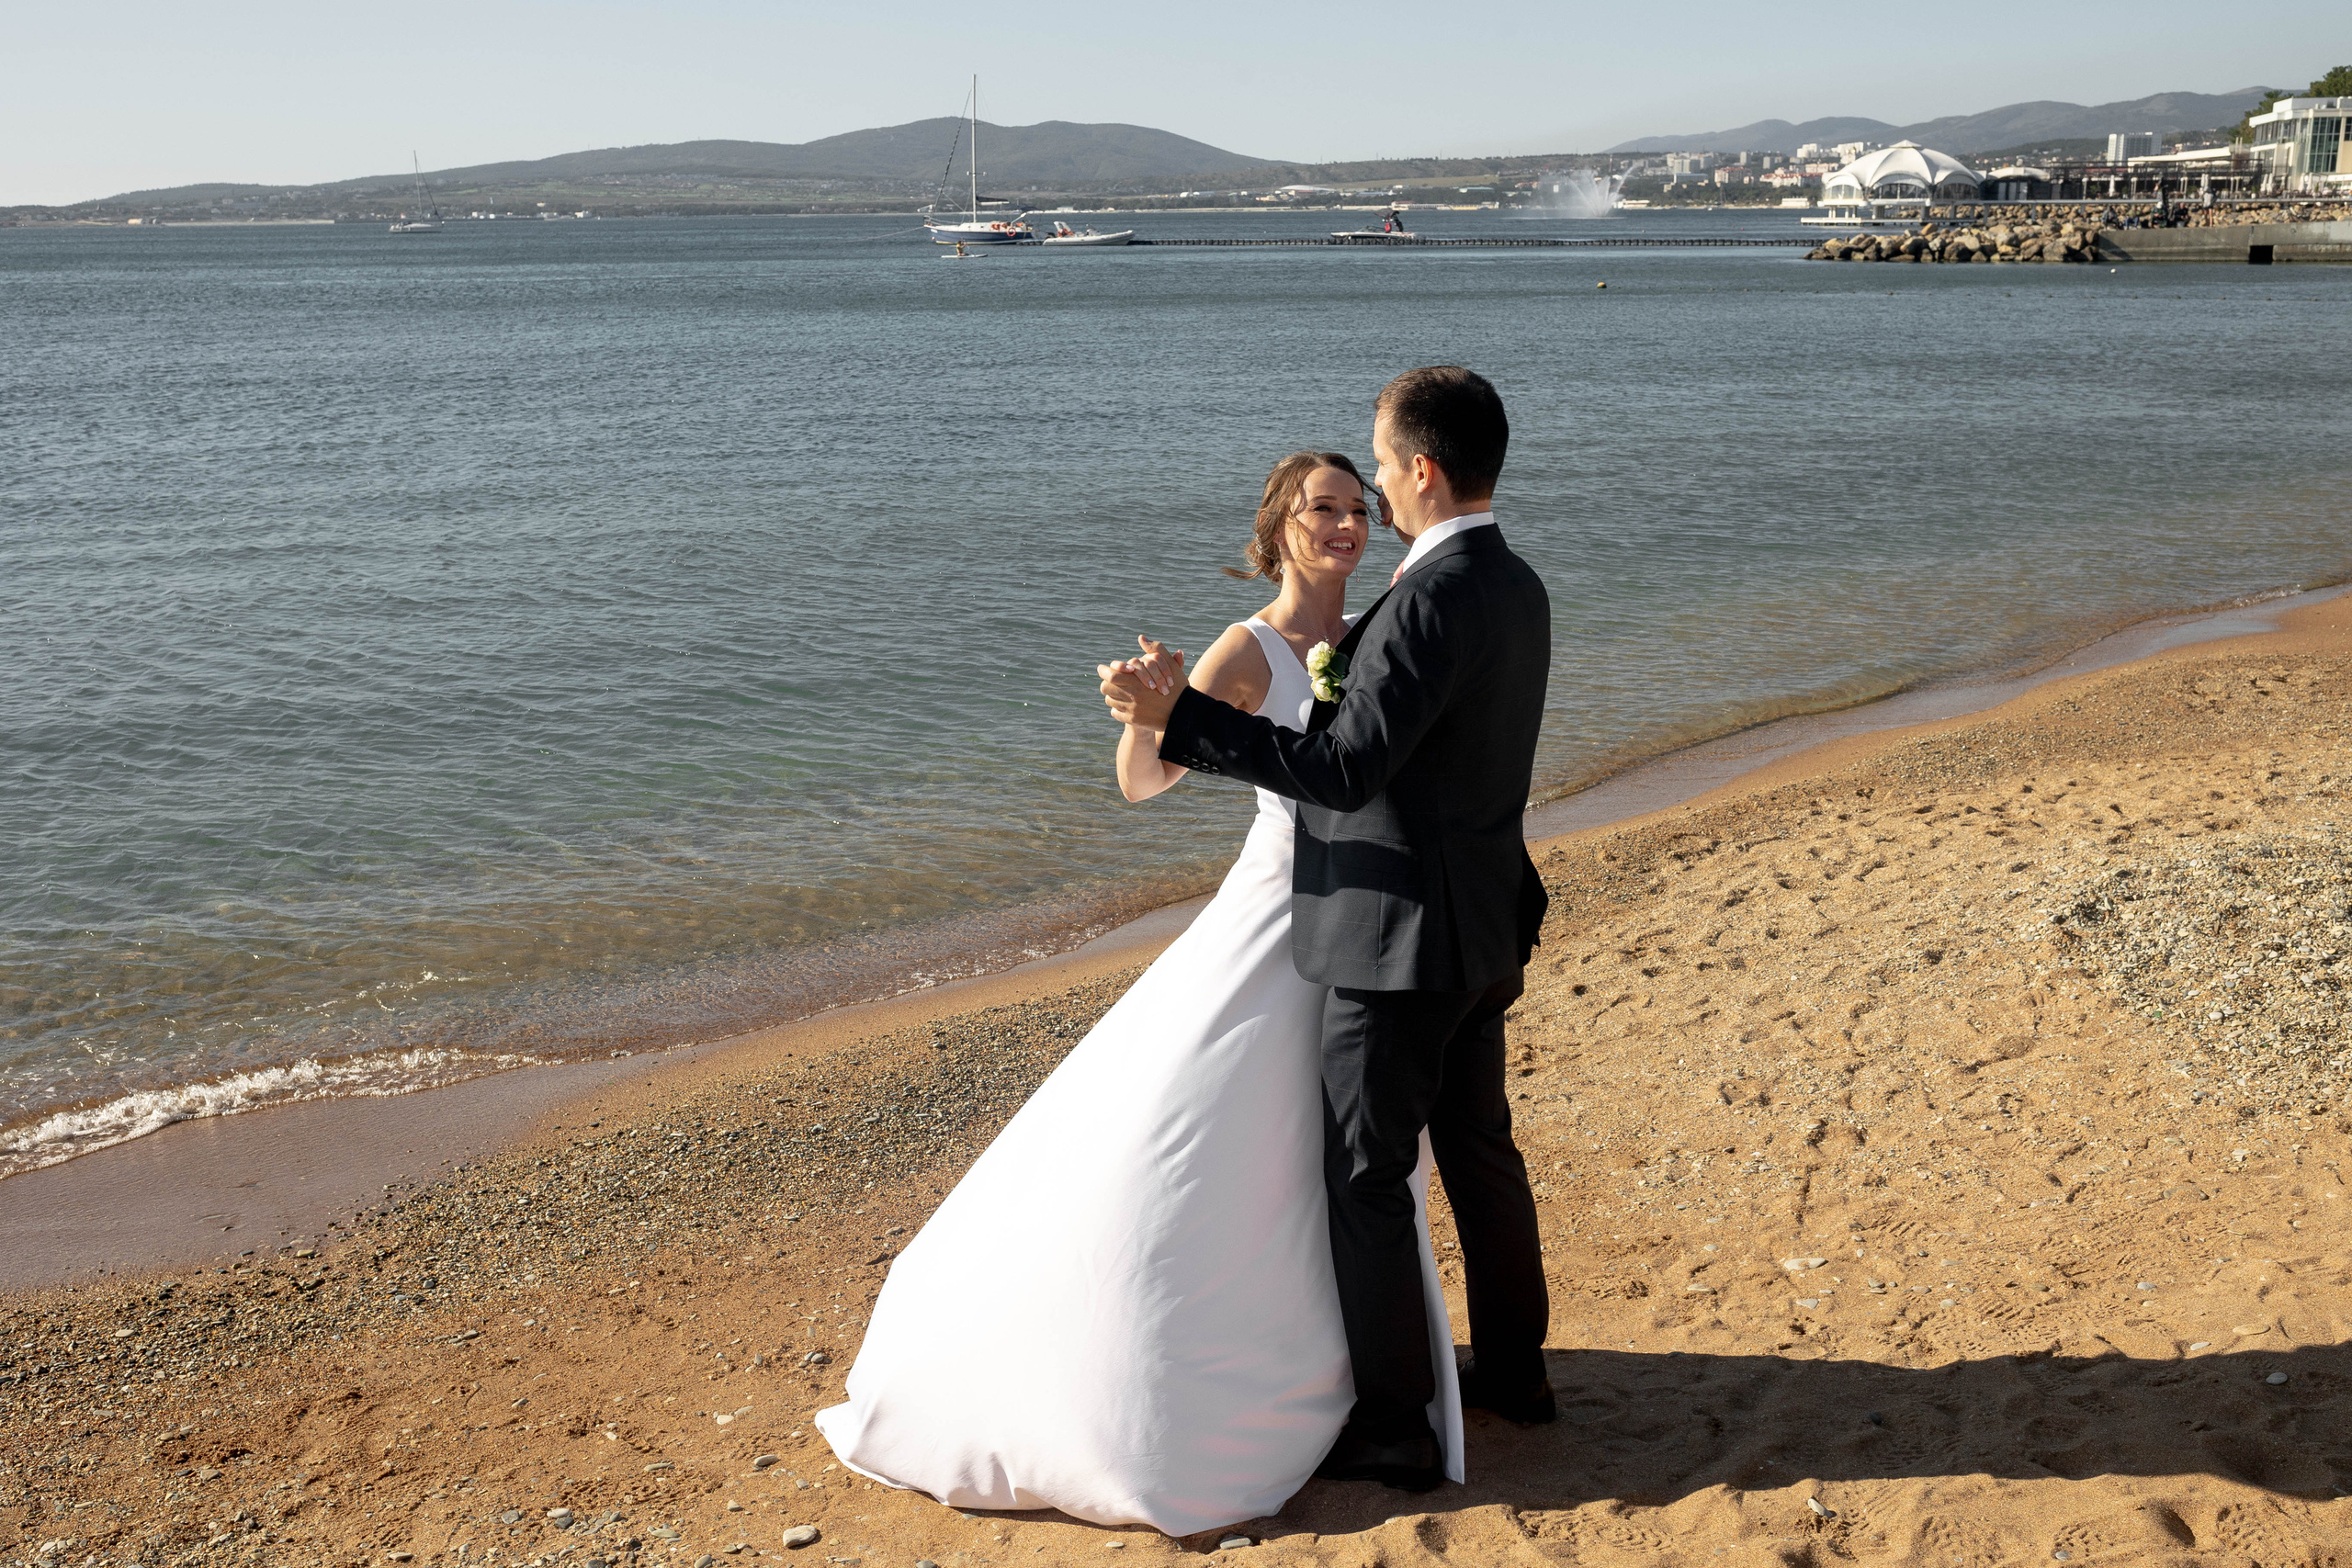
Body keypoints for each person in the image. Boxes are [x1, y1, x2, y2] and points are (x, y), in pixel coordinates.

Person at [814, 452, 1464, 1535]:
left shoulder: (1377, 630)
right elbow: (1144, 780)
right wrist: (1144, 713)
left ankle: (1330, 1357)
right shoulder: (1249, 649)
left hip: (1363, 921)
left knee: (1335, 1156)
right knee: (1209, 1132)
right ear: (1280, 525)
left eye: (1358, 508)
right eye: (1323, 508)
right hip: (1274, 917)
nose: (1346, 525)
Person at [1102, 367, 1555, 1493]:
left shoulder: (1425, 600)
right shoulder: (1516, 584)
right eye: (1332, 503)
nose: (1370, 502)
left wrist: (1184, 718)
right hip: (1480, 923)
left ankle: (1396, 1426)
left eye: (1380, 471)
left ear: (1421, 469)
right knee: (1480, 1152)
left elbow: (1347, 773)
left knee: (1365, 1172)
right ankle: (1514, 1375)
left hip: (1396, 938)